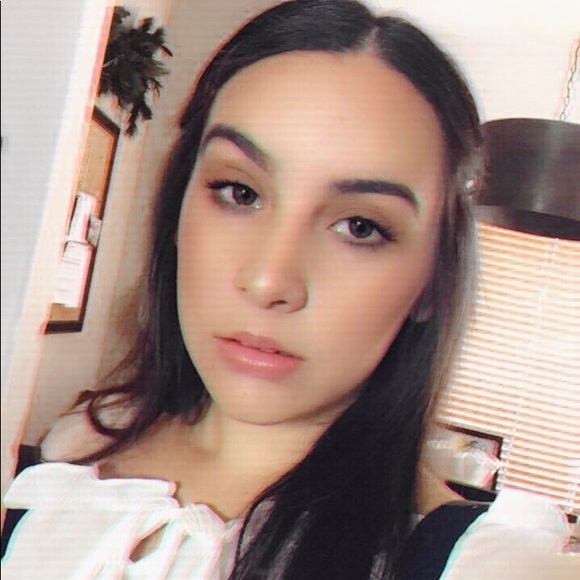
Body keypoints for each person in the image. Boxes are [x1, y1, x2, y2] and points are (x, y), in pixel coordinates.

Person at [1, 1, 573, 578]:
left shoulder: (484, 566)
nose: (269, 281)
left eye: (360, 227)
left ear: (433, 283)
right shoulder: (72, 454)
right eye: (240, 192)